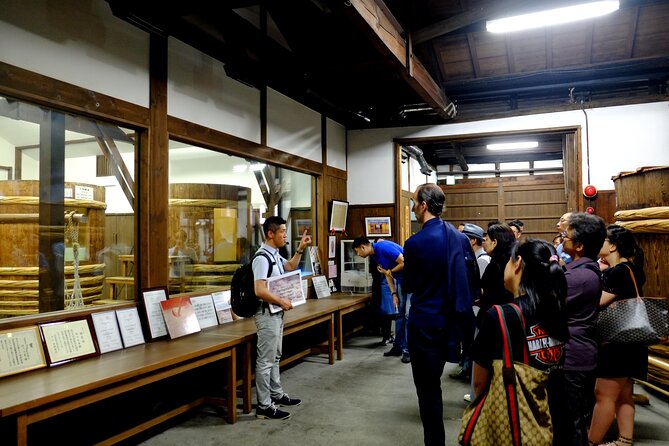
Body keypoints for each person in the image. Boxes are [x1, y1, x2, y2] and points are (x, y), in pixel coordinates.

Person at [471, 239, 569, 445]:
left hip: (512, 422)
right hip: (553, 418)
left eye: (509, 260)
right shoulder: (557, 309)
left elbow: (479, 384)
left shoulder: (499, 316)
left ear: (517, 264)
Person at [402, 183, 474, 446]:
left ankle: (434, 442)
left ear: (423, 205)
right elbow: (471, 281)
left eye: (413, 202)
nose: (412, 207)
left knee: (428, 389)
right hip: (452, 322)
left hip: (425, 324)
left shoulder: (415, 243)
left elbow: (408, 284)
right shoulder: (461, 238)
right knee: (436, 384)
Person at [589, 225, 646, 446]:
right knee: (623, 395)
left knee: (603, 395)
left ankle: (591, 441)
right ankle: (624, 440)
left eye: (603, 241)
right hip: (633, 341)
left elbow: (598, 302)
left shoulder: (617, 272)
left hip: (617, 343)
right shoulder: (631, 268)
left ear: (612, 246)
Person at [253, 217, 311, 420]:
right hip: (267, 314)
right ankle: (264, 405)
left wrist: (300, 249)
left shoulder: (275, 255)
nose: (285, 235)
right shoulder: (261, 258)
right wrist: (280, 300)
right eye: (282, 232)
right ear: (270, 233)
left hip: (277, 313)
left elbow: (289, 268)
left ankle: (276, 394)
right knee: (265, 361)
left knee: (275, 356)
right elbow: (259, 289)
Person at [562, 212, 607, 445]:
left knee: (570, 424)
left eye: (565, 236)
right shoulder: (583, 271)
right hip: (581, 351)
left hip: (573, 355)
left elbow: (546, 307)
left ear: (579, 246)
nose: (562, 238)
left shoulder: (578, 278)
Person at [352, 236, 410, 363]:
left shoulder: (384, 248)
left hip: (412, 281)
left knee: (407, 315)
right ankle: (397, 347)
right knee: (400, 315)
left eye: (357, 251)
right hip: (400, 282)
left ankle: (407, 351)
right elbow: (386, 274)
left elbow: (405, 262)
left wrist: (389, 272)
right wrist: (393, 293)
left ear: (363, 247)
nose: (358, 254)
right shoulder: (374, 255)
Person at [449, 223, 488, 381]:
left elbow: (482, 289)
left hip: (476, 309)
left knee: (471, 342)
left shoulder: (482, 260)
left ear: (472, 240)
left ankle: (468, 371)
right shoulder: (472, 257)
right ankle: (466, 368)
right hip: (470, 307)